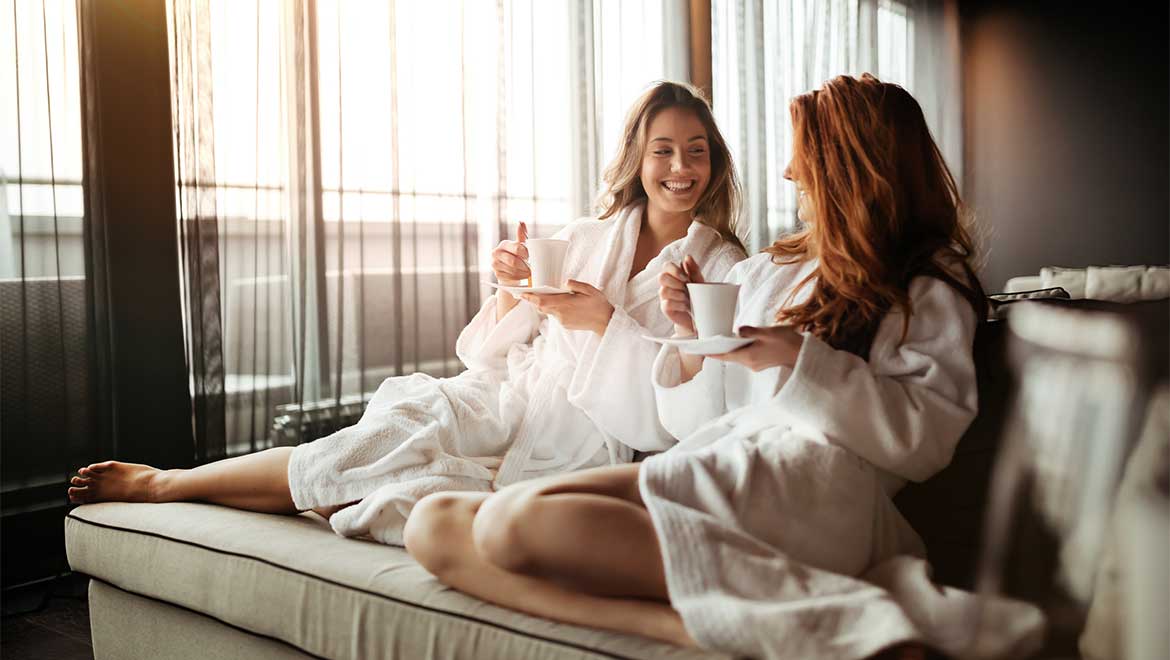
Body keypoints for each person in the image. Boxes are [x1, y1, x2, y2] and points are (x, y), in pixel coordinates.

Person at [402, 73, 994, 653]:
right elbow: (692, 420)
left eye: (803, 157)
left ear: (852, 163)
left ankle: (793, 610)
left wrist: (800, 360)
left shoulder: (925, 283)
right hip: (719, 462)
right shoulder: (765, 271)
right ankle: (686, 626)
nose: (790, 173)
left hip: (811, 488)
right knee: (434, 526)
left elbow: (926, 438)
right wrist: (689, 335)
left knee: (514, 524)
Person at [66, 81, 746, 546]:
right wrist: (509, 286)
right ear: (639, 155)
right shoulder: (588, 235)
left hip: (585, 444)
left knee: (389, 490)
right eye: (664, 149)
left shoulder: (722, 267)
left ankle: (177, 485)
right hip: (503, 400)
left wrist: (605, 323)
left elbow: (684, 415)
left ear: (713, 163)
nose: (680, 167)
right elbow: (491, 351)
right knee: (387, 432)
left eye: (696, 151)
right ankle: (164, 483)